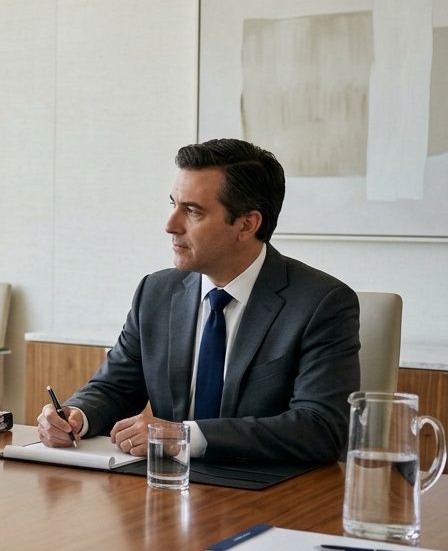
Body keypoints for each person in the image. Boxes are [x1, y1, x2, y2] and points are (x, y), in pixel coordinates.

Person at [36, 139, 359, 464]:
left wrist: (185, 436)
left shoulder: (322, 303)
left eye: (192, 211)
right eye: (173, 204)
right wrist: (77, 415)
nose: (170, 225)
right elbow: (115, 387)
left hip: (267, 495)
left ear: (247, 225)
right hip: (164, 490)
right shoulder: (156, 292)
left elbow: (321, 428)